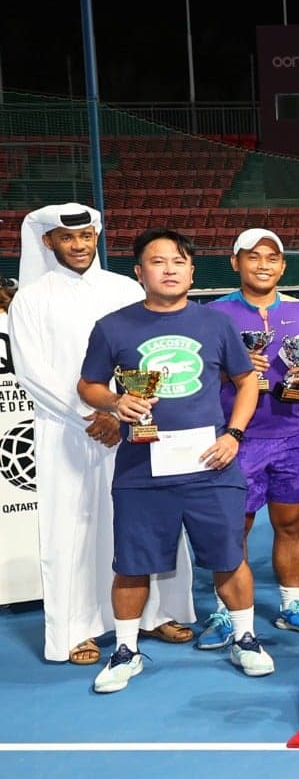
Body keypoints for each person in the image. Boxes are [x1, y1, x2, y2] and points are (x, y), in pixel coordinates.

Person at [77, 229, 269, 691]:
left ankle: (245, 638)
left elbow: (246, 380)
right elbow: (88, 385)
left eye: (179, 262)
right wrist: (115, 401)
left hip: (211, 464)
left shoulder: (216, 324)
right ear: (139, 272)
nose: (169, 269)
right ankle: (126, 650)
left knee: (230, 557)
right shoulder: (112, 327)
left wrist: (234, 435)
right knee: (132, 563)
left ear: (191, 272)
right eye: (158, 261)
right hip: (142, 467)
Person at [9, 204, 195, 666]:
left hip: (134, 426)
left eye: (86, 236)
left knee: (149, 521)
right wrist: (92, 415)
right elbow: (32, 373)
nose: (79, 245)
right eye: (67, 238)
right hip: (67, 434)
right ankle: (77, 631)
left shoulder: (125, 288)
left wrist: (120, 412)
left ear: (96, 237)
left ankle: (157, 613)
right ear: (48, 242)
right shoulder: (31, 298)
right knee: (73, 530)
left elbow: (147, 356)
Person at [207, 227, 299, 643]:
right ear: (235, 262)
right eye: (253, 257)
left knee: (291, 524)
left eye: (271, 258)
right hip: (236, 436)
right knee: (234, 527)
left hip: (289, 433)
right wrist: (234, 369)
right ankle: (225, 611)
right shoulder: (214, 313)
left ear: (283, 266)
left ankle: (292, 605)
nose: (263, 265)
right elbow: (202, 374)